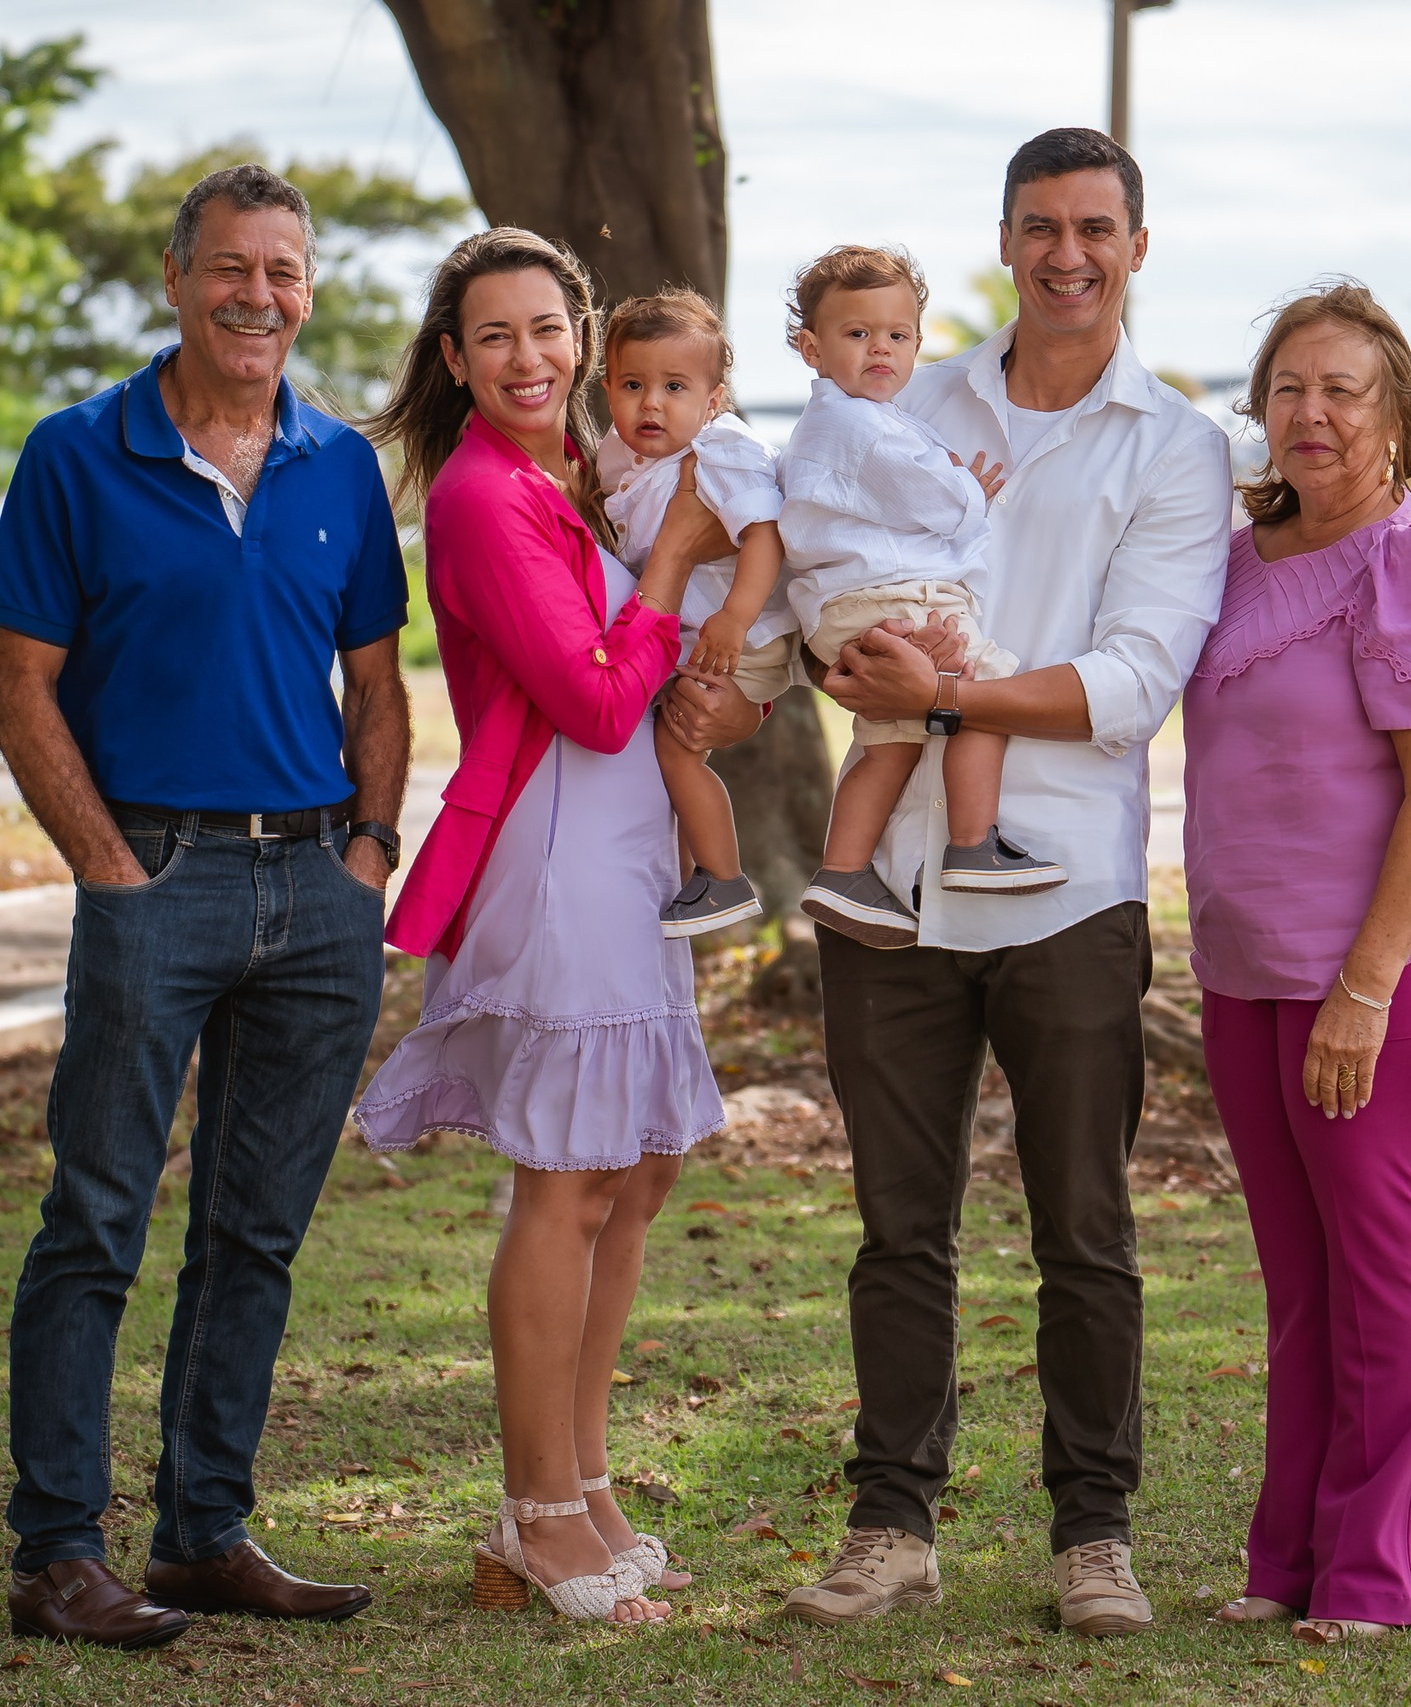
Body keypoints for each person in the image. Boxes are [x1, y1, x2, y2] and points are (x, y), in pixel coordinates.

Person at [781, 129, 1233, 1637]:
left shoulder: (1173, 445)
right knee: (899, 1225)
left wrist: (948, 696)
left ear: (1136, 245)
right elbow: (814, 564)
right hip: (895, 886)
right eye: (1040, 226)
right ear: (1005, 237)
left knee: (1083, 1228)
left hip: (1069, 887)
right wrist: (832, 653)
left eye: (1095, 228)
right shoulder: (904, 384)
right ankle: (890, 1524)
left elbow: (1136, 675)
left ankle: (1092, 1536)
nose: (1066, 255)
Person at [0, 165, 409, 1647]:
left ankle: (204, 1529)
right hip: (154, 875)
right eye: (232, 268)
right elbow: (19, 685)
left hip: (316, 888)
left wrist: (369, 849)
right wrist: (109, 864)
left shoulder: (341, 465)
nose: (259, 297)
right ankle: (57, 1551)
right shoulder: (76, 454)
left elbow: (377, 681)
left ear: (308, 289)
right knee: (96, 1214)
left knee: (256, 1230)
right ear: (176, 277)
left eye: (284, 273)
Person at [351, 228, 735, 1625]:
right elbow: (585, 697)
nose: (529, 357)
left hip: (631, 842)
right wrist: (675, 561)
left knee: (635, 1170)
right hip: (558, 844)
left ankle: (586, 1476)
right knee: (567, 1177)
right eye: (496, 336)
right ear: (457, 360)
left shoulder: (581, 468)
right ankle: (535, 1511)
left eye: (548, 329)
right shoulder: (477, 495)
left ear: (581, 337)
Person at [1191, 282, 1411, 1647]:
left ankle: (1379, 1572)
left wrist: (1364, 987)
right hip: (1246, 962)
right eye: (1290, 388)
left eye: (1344, 390)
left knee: (1376, 1261)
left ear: (1392, 415)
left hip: (1376, 969)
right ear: (1261, 407)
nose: (1312, 412)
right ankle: (1289, 1558)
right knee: (1297, 1275)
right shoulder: (1235, 552)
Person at [779, 245, 1055, 950]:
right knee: (982, 691)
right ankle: (973, 844)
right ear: (812, 348)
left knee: (891, 738)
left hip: (854, 605)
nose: (882, 348)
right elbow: (935, 495)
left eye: (898, 335)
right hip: (894, 596)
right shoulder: (855, 423)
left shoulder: (859, 420)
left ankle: (842, 869)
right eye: (858, 333)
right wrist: (969, 489)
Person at [594, 289, 790, 939]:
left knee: (678, 753)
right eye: (632, 384)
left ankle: (722, 877)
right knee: (655, 752)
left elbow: (763, 535)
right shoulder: (621, 460)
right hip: (687, 634)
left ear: (713, 401)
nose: (651, 402)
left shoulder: (720, 451)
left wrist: (735, 618)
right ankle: (681, 876)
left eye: (674, 386)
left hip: (740, 634)